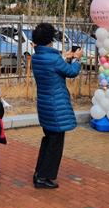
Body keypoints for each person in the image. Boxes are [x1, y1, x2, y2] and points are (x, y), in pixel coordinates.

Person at [31, 23, 81, 190]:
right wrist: (77, 59)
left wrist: (64, 58)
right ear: (50, 40)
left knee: (48, 140)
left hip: (45, 105)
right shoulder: (53, 59)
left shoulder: (37, 57)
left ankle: (39, 173)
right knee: (55, 144)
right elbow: (72, 72)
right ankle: (44, 178)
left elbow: (56, 68)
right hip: (56, 107)